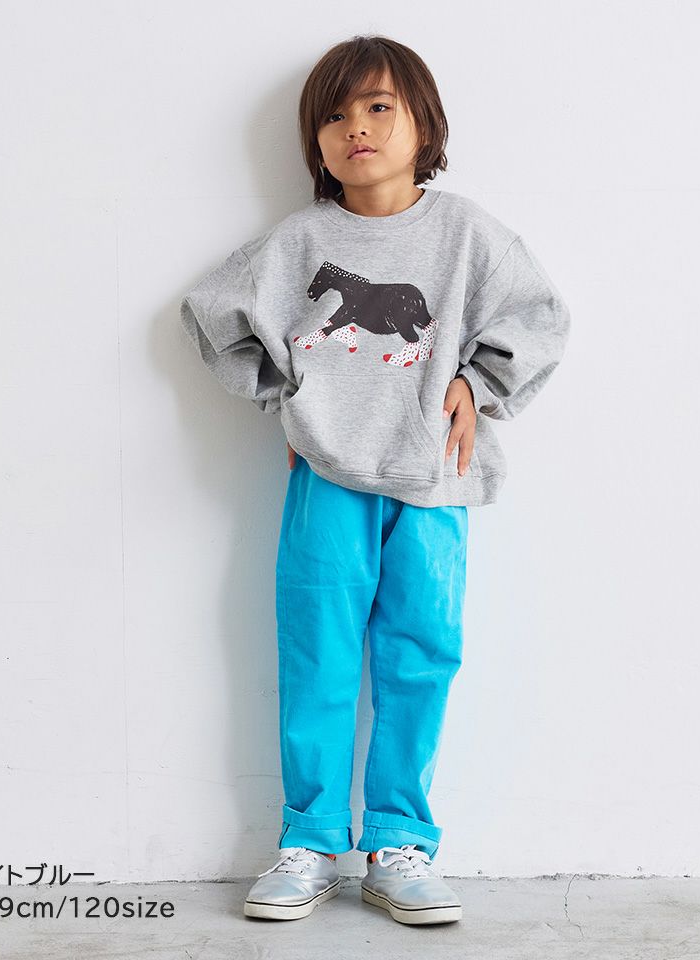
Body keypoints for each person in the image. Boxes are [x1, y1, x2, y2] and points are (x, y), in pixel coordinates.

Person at [180, 35, 571, 926]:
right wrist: (281, 397)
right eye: (334, 114)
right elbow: (211, 316)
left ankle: (401, 843)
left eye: (378, 106)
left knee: (420, 655)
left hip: (437, 478)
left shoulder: (468, 234)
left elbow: (541, 318)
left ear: (423, 124)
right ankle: (310, 840)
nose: (355, 126)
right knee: (316, 652)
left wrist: (479, 383)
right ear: (315, 144)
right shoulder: (299, 241)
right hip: (327, 478)